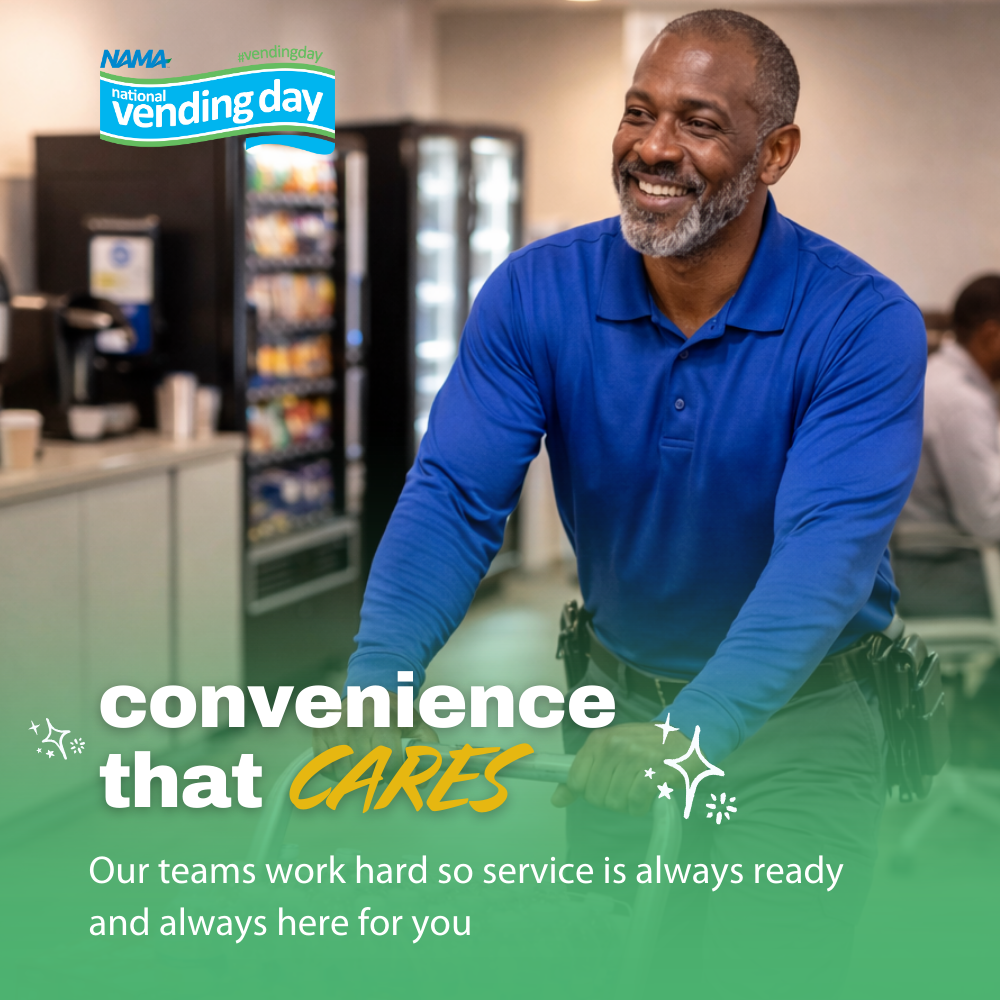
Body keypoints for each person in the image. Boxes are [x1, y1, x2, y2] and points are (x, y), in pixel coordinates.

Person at [317, 8, 926, 991]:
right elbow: (453, 494)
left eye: (696, 121)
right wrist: (382, 668)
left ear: (774, 152)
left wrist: (691, 732)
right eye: (638, 112)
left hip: (801, 725)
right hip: (611, 718)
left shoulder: (860, 325)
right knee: (629, 964)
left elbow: (825, 552)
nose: (651, 146)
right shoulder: (534, 295)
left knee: (766, 967)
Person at [894, 275, 1000, 618]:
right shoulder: (960, 402)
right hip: (946, 570)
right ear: (991, 336)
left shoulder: (945, 378)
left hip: (937, 561)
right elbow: (986, 518)